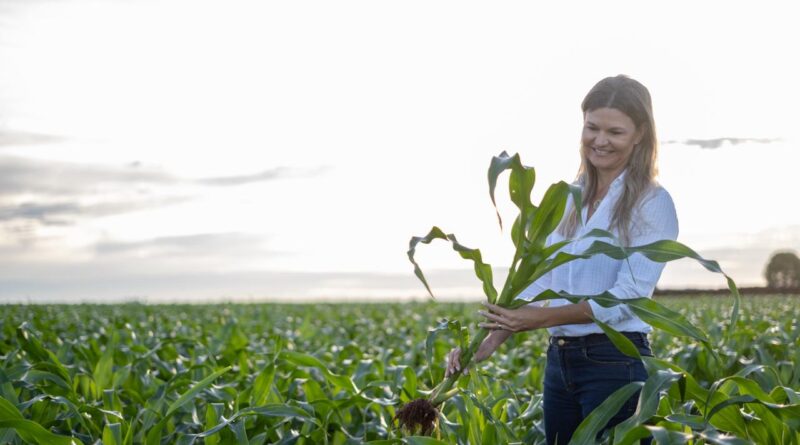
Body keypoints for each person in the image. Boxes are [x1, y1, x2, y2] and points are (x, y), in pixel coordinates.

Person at [444, 74, 677, 445]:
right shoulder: (568, 199)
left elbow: (627, 296)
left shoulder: (652, 203)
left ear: (640, 134)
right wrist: (487, 342)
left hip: (615, 364)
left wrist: (539, 319)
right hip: (560, 363)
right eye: (592, 128)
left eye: (615, 132)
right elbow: (540, 282)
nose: (600, 141)